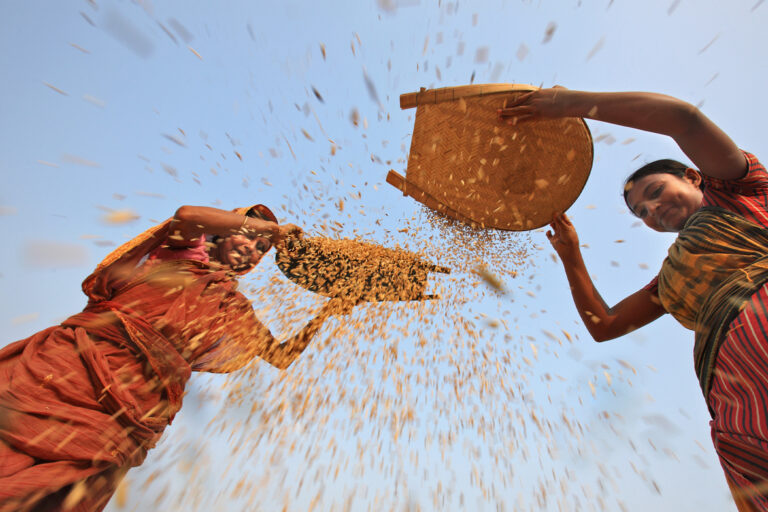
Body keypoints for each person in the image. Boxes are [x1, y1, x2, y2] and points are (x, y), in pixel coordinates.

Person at [499, 88, 768, 511]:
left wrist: (570, 104)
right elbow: (604, 325)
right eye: (641, 212)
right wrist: (572, 256)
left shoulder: (738, 191)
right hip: (738, 398)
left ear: (692, 176)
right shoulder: (670, 279)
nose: (652, 210)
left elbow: (685, 120)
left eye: (656, 191)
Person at [0, 204, 353, 511]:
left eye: (262, 249)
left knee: (58, 493)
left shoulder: (231, 308)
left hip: (124, 415)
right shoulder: (179, 253)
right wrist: (273, 231)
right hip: (65, 372)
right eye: (248, 235)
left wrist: (329, 310)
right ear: (224, 232)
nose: (253, 248)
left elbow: (281, 355)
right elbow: (186, 216)